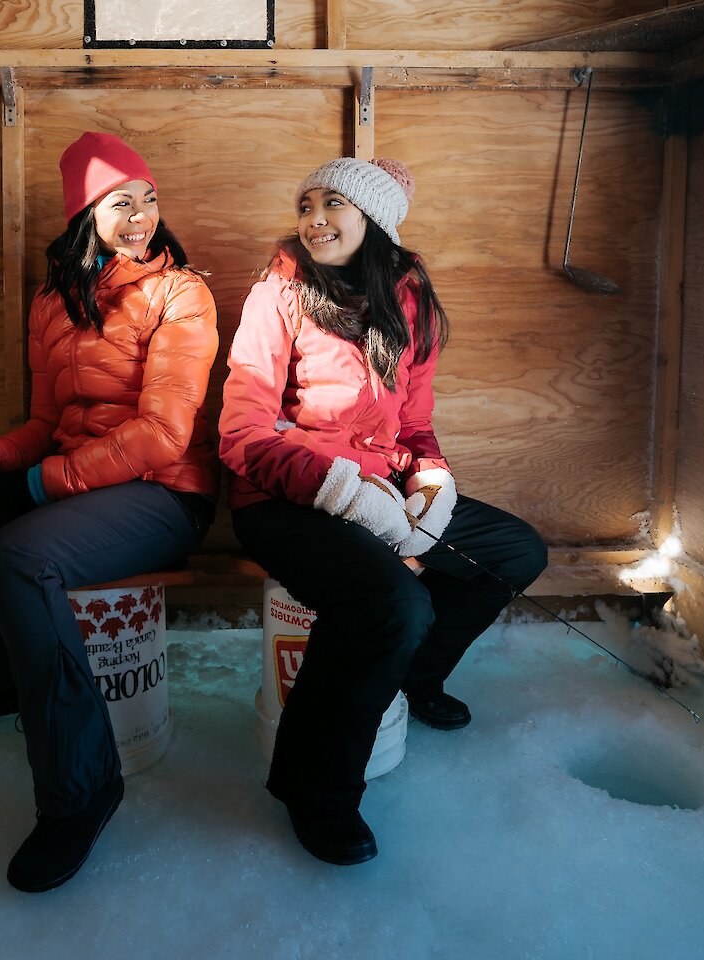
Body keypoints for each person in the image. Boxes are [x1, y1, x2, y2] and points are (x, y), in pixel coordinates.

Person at [0, 131, 219, 893]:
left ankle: (82, 790)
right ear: (84, 214)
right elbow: (42, 425)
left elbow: (165, 434)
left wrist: (38, 486)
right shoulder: (52, 301)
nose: (141, 215)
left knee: (19, 556)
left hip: (163, 494)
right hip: (73, 482)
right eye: (120, 202)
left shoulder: (182, 293)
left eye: (148, 198)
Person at [219, 157, 546, 867]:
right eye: (306, 204)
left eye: (333, 202)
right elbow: (242, 436)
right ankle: (315, 790)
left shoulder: (412, 305)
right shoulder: (279, 293)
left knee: (517, 550)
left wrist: (431, 486)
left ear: (376, 221)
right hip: (284, 496)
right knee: (395, 604)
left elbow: (417, 428)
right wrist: (341, 490)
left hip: (383, 492)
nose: (314, 218)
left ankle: (414, 678)